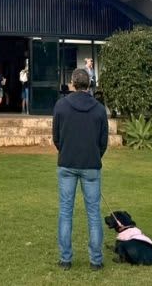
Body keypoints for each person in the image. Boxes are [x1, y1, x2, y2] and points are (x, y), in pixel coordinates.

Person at [52, 68, 109, 271]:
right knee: (93, 213)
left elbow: (56, 137)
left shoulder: (61, 106)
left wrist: (65, 151)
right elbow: (103, 141)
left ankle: (65, 259)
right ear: (89, 84)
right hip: (91, 164)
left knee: (65, 212)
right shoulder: (99, 109)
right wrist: (95, 155)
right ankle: (96, 260)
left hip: (67, 163)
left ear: (72, 83)